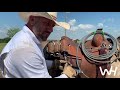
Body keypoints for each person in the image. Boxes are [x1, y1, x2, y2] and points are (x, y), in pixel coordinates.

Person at [0, 12, 77, 78]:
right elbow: (31, 58)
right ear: (32, 20)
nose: (51, 30)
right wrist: (67, 74)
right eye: (47, 23)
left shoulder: (28, 38)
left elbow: (37, 61)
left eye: (52, 25)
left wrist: (54, 64)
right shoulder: (25, 49)